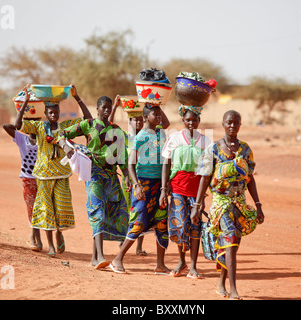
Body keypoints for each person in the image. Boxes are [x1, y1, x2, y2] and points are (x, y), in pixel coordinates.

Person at [191, 110, 265, 300]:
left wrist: (258, 205)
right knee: (230, 241)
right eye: (229, 122)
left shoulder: (246, 150)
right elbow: (205, 178)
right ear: (223, 124)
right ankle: (233, 289)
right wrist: (197, 205)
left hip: (239, 204)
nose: (232, 126)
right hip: (221, 204)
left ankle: (221, 283)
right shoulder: (214, 149)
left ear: (240, 125)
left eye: (236, 123)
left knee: (232, 245)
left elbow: (249, 179)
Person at [16, 84, 92, 257]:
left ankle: (59, 234)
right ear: (46, 114)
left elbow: (88, 120)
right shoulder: (39, 127)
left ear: (59, 113)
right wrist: (26, 101)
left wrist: (77, 97)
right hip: (43, 174)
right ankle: (50, 245)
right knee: (45, 209)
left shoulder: (65, 127)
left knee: (62, 207)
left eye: (56, 112)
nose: (53, 115)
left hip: (62, 173)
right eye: (50, 113)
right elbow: (18, 124)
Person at [58, 95, 130, 270]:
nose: (106, 110)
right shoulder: (88, 125)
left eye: (109, 107)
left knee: (113, 211)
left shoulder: (116, 129)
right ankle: (100, 257)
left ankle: (93, 257)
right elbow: (62, 134)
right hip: (94, 173)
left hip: (112, 177)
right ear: (97, 108)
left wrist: (127, 175)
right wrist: (67, 148)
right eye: (103, 107)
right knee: (97, 210)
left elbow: (121, 155)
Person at [110, 104, 170, 275]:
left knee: (162, 222)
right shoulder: (141, 137)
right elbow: (131, 164)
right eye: (155, 114)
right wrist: (136, 186)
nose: (159, 117)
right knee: (139, 221)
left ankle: (160, 264)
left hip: (160, 185)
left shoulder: (161, 133)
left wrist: (165, 188)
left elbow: (166, 163)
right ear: (145, 117)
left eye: (159, 114)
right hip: (143, 184)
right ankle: (117, 259)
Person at [159, 105, 211, 279]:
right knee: (180, 226)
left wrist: (203, 195)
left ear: (199, 121)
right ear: (183, 120)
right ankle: (182, 262)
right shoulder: (174, 138)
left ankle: (193, 267)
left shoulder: (205, 141)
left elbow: (209, 170)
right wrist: (163, 188)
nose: (191, 123)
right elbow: (166, 164)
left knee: (195, 226)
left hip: (196, 189)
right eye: (188, 120)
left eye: (194, 120)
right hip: (177, 188)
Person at [3, 85, 41, 251]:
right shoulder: (22, 139)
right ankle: (35, 237)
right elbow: (7, 127)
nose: (33, 125)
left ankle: (40, 238)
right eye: (30, 123)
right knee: (32, 208)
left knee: (44, 207)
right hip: (27, 178)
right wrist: (25, 103)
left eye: (36, 122)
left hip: (43, 178)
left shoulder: (44, 139)